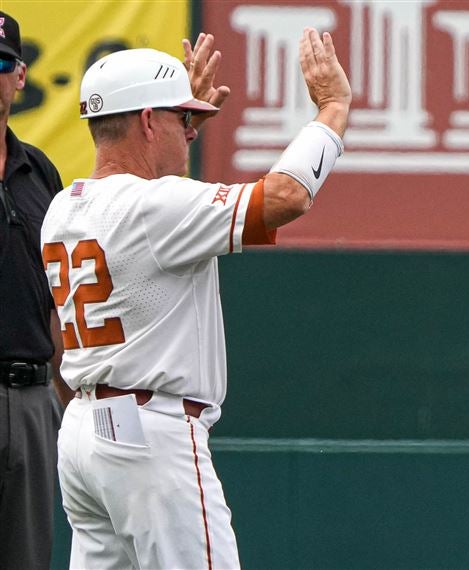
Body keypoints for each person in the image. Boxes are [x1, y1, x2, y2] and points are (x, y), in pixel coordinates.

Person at [41, 28, 350, 568]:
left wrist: (177, 125)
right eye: (178, 118)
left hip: (84, 437)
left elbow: (154, 198)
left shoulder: (62, 208)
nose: (190, 129)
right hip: (152, 436)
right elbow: (288, 196)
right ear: (144, 121)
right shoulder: (156, 207)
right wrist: (332, 109)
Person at [0, 10, 72, 569]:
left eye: (0, 64)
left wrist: (67, 403)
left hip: (31, 399)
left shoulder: (40, 173)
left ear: (20, 76)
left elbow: (57, 296)